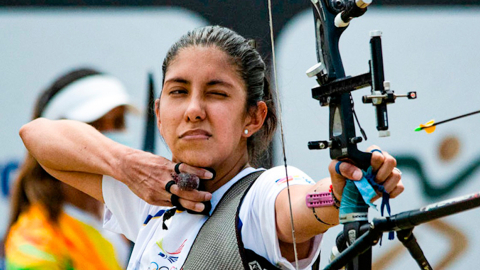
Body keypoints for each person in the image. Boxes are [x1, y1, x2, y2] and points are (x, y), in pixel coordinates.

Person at [19, 26, 403, 270]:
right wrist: (129, 166)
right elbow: (37, 136)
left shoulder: (261, 197)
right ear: (159, 112)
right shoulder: (150, 193)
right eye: (178, 92)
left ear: (253, 118)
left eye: (216, 93)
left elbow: (304, 206)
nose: (193, 110)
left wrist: (337, 195)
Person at [6, 68, 135, 269]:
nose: (110, 137)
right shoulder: (34, 240)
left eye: (118, 122)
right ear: (55, 143)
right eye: (94, 125)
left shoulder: (125, 217)